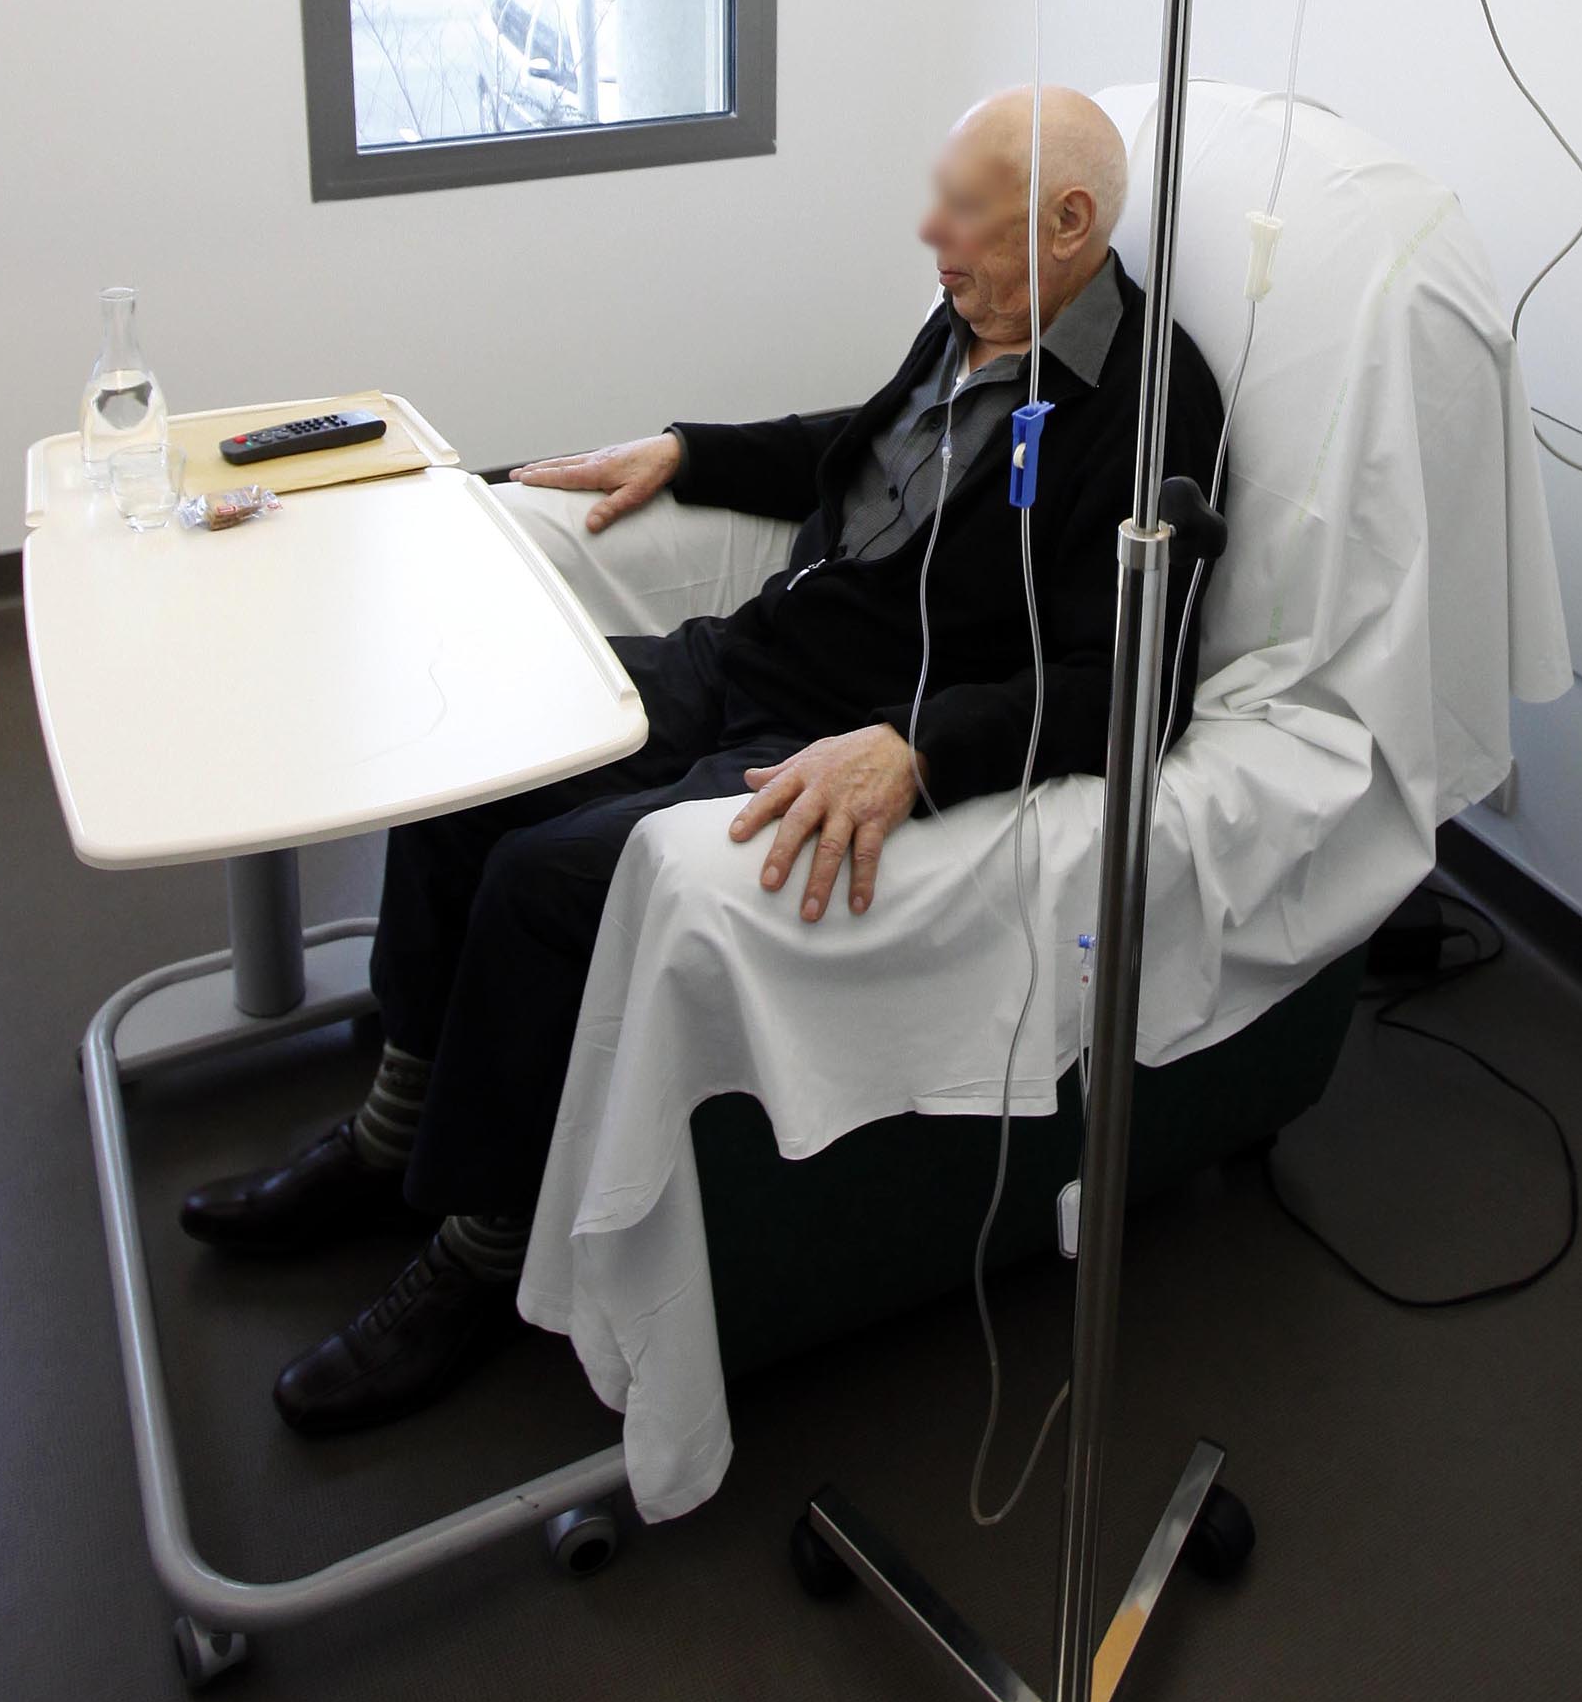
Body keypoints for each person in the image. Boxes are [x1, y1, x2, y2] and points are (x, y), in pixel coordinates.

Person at [179, 87, 1223, 1435]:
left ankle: (483, 1248)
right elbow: (864, 454)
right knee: (472, 766)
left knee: (547, 882)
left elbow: (1132, 685)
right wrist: (687, 452)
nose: (930, 231)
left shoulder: (1150, 412)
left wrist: (919, 751)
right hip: (749, 656)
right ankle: (393, 1132)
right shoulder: (975, 314)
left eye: (963, 209)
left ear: (1070, 222)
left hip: (844, 729)